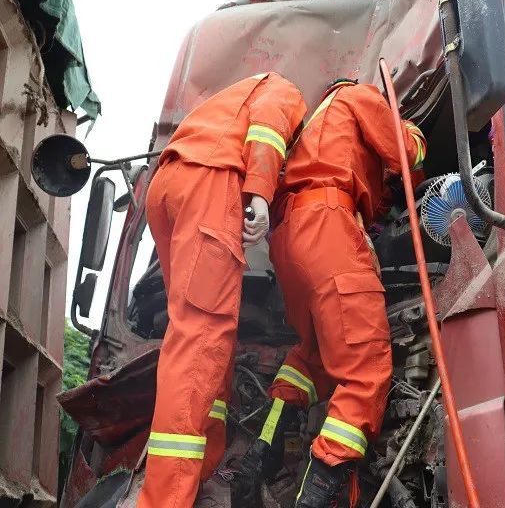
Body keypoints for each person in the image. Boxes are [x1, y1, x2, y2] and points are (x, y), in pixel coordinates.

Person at [241, 78, 426, 507]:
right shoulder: (356, 95)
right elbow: (405, 151)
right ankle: (317, 496)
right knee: (365, 371)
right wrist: (413, 133)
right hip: (328, 225)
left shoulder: (312, 135)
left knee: (315, 355)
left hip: (288, 239)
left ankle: (261, 452)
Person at [137, 72, 308, 508]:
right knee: (201, 336)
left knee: (206, 339)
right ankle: (167, 498)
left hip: (169, 185)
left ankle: (206, 466)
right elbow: (269, 124)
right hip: (210, 181)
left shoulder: (228, 101)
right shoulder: (287, 91)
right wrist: (261, 194)